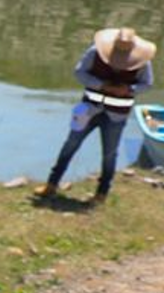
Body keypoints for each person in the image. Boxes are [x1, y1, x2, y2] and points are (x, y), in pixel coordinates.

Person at [40, 23, 156, 202]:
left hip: (117, 115)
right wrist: (101, 85)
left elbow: (147, 84)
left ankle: (102, 193)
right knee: (70, 144)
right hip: (87, 108)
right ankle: (51, 185)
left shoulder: (143, 62)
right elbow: (79, 73)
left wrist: (129, 89)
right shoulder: (94, 52)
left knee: (110, 153)